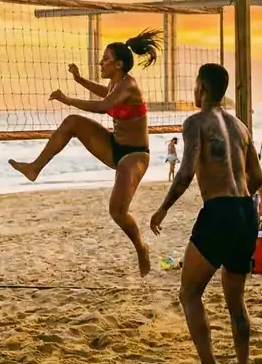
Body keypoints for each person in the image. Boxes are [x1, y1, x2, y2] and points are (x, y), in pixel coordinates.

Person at [150, 64, 262, 364]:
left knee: (189, 293)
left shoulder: (195, 122)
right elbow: (257, 177)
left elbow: (185, 171)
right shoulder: (241, 126)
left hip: (220, 212)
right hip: (246, 211)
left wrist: (164, 208)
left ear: (202, 88)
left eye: (196, 86)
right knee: (235, 301)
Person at [9, 30, 162, 276]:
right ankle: (34, 168)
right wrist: (79, 80)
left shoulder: (129, 85)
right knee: (72, 122)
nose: (101, 63)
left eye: (105, 59)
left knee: (117, 212)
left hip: (135, 155)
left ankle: (140, 247)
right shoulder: (115, 84)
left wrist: (68, 99)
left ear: (118, 65)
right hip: (113, 145)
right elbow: (104, 94)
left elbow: (102, 106)